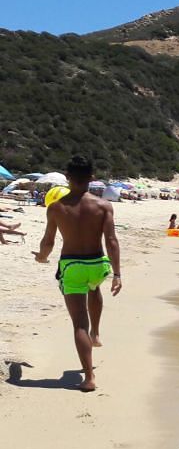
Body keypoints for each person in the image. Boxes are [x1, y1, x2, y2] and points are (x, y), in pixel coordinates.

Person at [32, 155, 122, 392]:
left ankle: (90, 377)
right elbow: (111, 240)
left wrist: (41, 257)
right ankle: (97, 332)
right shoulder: (103, 206)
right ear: (92, 178)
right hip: (97, 264)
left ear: (67, 178)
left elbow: (48, 242)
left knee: (78, 323)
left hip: (72, 265)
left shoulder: (56, 208)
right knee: (94, 287)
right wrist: (117, 274)